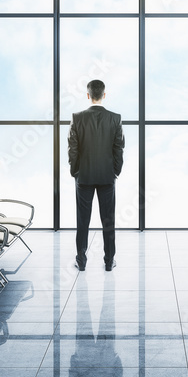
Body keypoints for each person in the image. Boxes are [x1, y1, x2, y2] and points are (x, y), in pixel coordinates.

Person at [67, 79, 124, 271]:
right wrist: (115, 170)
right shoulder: (115, 118)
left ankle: (81, 261)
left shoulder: (77, 117)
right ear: (104, 95)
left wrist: (75, 171)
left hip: (84, 176)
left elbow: (72, 149)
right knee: (108, 220)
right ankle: (109, 261)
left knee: (83, 220)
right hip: (107, 176)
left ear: (88, 95)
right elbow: (119, 148)